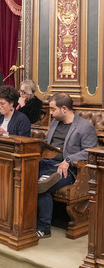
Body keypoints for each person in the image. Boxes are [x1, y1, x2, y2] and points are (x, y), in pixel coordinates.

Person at [36, 93, 97, 239]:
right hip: (46, 162)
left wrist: (69, 159)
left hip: (67, 170)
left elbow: (91, 153)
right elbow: (47, 144)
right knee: (22, 176)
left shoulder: (85, 127)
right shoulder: (54, 122)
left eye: (52, 109)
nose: (50, 113)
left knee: (41, 187)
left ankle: (44, 228)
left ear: (64, 108)